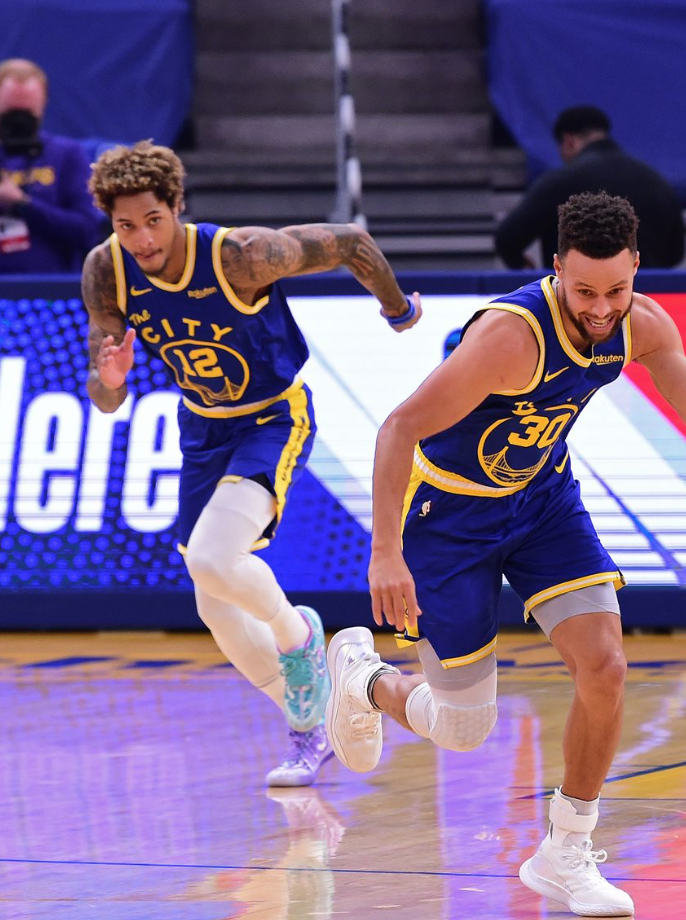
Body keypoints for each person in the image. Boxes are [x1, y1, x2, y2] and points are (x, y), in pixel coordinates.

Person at [326, 191, 686, 917]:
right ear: (556, 269)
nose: (601, 307)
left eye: (617, 288)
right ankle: (365, 679)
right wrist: (386, 553)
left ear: (637, 266)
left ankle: (565, 850)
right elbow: (398, 429)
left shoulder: (641, 323)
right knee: (464, 729)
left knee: (605, 665)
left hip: (543, 504)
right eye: (583, 291)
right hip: (450, 518)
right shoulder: (511, 339)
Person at [83, 140, 421, 786]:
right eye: (126, 226)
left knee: (212, 557)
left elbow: (350, 241)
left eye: (153, 220)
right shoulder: (107, 270)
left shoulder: (236, 256)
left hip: (272, 416)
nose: (142, 239)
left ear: (177, 206)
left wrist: (397, 307)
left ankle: (301, 641)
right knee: (213, 604)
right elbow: (103, 397)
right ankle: (312, 729)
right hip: (203, 428)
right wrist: (113, 381)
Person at [495, 105, 685, 271]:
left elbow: (507, 239)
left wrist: (522, 268)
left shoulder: (561, 181)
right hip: (649, 299)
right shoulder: (655, 180)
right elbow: (676, 252)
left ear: (568, 141)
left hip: (578, 305)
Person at [0, 58, 103, 273]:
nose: (19, 122)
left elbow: (87, 230)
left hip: (52, 293)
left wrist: (23, 204)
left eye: (27, 113)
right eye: (11, 113)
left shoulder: (67, 154)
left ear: (43, 104)